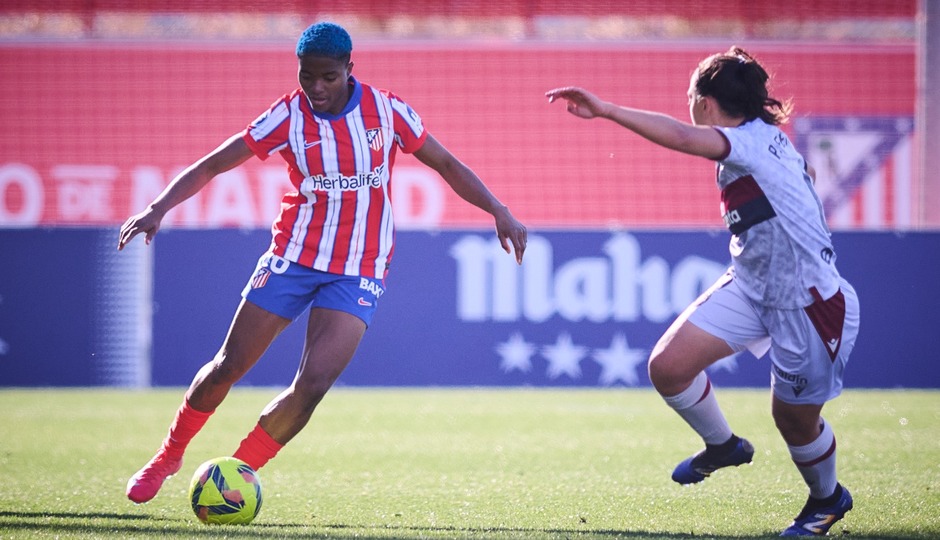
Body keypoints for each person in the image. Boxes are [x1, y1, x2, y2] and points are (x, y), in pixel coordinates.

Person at [119, 21, 527, 505]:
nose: (316, 88)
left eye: (328, 77)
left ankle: (237, 474)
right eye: (306, 76)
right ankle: (169, 455)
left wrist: (498, 209)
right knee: (229, 365)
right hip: (292, 257)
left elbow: (447, 165)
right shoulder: (287, 117)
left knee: (312, 384)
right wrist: (157, 207)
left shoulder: (387, 111)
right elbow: (213, 163)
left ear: (349, 70)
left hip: (360, 267)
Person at [546, 46, 859, 537]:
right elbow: (803, 176)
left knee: (793, 421)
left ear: (707, 103)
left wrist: (605, 109)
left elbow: (681, 137)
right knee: (668, 368)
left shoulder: (745, 142)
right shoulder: (767, 141)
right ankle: (724, 446)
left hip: (808, 304)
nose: (689, 107)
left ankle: (827, 499)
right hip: (752, 286)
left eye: (692, 97)